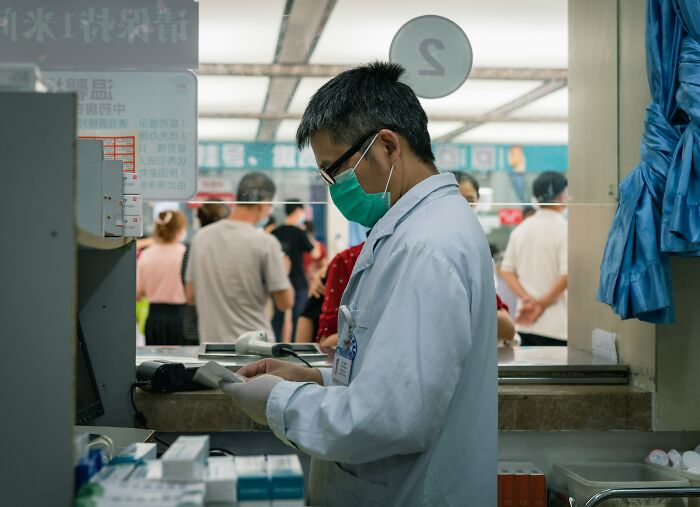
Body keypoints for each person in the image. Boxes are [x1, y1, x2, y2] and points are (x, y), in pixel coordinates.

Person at [224, 62, 497, 506]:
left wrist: (280, 401)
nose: (335, 188)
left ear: (387, 145)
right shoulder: (413, 231)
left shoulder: (426, 246)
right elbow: (398, 375)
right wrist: (316, 378)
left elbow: (390, 417)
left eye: (336, 170)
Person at [184, 173, 293, 342]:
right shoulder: (265, 242)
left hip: (212, 349)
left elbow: (190, 296)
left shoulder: (201, 238)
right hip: (255, 350)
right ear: (264, 203)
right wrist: (283, 271)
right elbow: (285, 303)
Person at [501, 171, 568, 346]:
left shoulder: (521, 229)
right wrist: (540, 305)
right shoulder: (565, 229)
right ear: (562, 195)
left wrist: (527, 299)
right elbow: (567, 275)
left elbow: (506, 271)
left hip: (524, 323)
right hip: (557, 327)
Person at [454, 171, 516, 344]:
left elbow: (506, 327)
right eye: (454, 198)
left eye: (469, 200)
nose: (462, 206)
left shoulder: (475, 244)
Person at [180, 201, 231, 344]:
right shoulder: (229, 249)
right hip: (225, 325)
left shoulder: (193, 246)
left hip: (196, 325)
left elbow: (188, 289)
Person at [270, 200, 321, 342]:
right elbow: (315, 253)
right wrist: (306, 232)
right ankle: (294, 350)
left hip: (278, 281)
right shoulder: (300, 232)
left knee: (277, 317)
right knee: (298, 318)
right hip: (298, 282)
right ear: (298, 211)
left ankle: (274, 348)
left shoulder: (275, 232)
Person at [136, 210, 188, 345]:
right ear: (180, 229)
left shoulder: (146, 255)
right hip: (181, 317)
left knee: (156, 361)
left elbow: (138, 292)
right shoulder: (185, 254)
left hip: (154, 317)